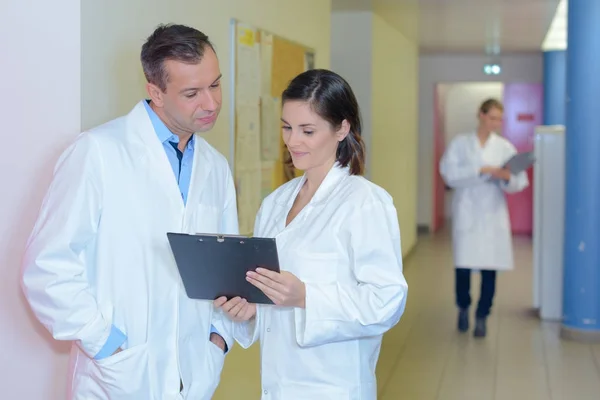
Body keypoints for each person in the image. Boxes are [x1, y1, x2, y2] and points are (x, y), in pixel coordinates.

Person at [21, 24, 237, 399]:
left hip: (193, 373)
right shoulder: (98, 153)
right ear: (155, 92)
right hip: (120, 376)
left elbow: (223, 265)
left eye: (215, 85)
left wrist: (218, 341)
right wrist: (106, 344)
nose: (211, 103)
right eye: (192, 93)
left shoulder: (215, 167)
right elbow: (46, 266)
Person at [215, 69, 408, 399]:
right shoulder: (276, 203)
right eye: (287, 127)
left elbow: (386, 301)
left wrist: (306, 295)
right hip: (278, 382)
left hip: (333, 384)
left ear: (342, 128)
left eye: (307, 130)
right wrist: (251, 311)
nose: (292, 141)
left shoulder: (364, 202)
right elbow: (272, 300)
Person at [439, 98, 529, 338]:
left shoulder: (504, 147)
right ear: (480, 115)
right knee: (463, 266)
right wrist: (480, 171)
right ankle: (463, 307)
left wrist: (505, 176)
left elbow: (519, 182)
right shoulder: (460, 144)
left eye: (500, 119)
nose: (496, 123)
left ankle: (482, 315)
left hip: (492, 212)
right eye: (492, 118)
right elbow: (449, 174)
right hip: (467, 210)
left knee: (491, 268)